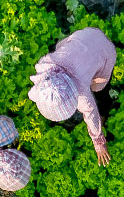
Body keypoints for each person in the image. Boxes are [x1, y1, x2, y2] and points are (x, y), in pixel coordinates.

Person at [28, 27, 117, 167]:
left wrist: (99, 143)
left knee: (99, 88)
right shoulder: (46, 64)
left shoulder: (83, 96)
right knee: (60, 47)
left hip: (105, 52)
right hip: (85, 35)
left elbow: (91, 115)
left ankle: (104, 113)